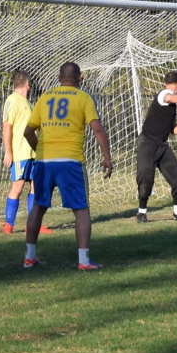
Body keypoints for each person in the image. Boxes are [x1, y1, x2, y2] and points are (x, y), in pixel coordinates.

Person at [22, 62, 112, 269]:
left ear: (58, 78)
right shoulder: (83, 98)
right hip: (70, 161)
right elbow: (97, 128)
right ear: (80, 78)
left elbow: (28, 131)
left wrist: (40, 150)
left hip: (44, 161)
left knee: (38, 207)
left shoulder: (45, 97)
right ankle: (84, 261)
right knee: (81, 210)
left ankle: (29, 257)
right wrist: (107, 157)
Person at [135, 72, 177, 223]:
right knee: (146, 177)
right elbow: (169, 97)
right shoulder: (165, 94)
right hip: (147, 143)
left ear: (165, 82)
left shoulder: (171, 105)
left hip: (161, 145)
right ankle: (141, 212)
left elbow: (172, 128)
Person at [1, 70, 52, 234]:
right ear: (28, 84)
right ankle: (8, 225)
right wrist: (8, 152)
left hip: (33, 154)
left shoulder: (28, 103)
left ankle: (33, 224)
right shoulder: (12, 100)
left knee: (36, 186)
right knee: (18, 186)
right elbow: (6, 127)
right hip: (20, 153)